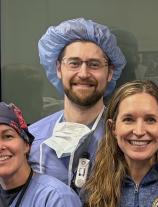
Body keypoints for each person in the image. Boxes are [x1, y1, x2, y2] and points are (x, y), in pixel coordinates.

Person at [30, 18, 126, 189]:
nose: (83, 73)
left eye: (94, 64)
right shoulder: (32, 139)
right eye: (74, 63)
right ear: (58, 68)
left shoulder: (124, 137)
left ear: (110, 72)